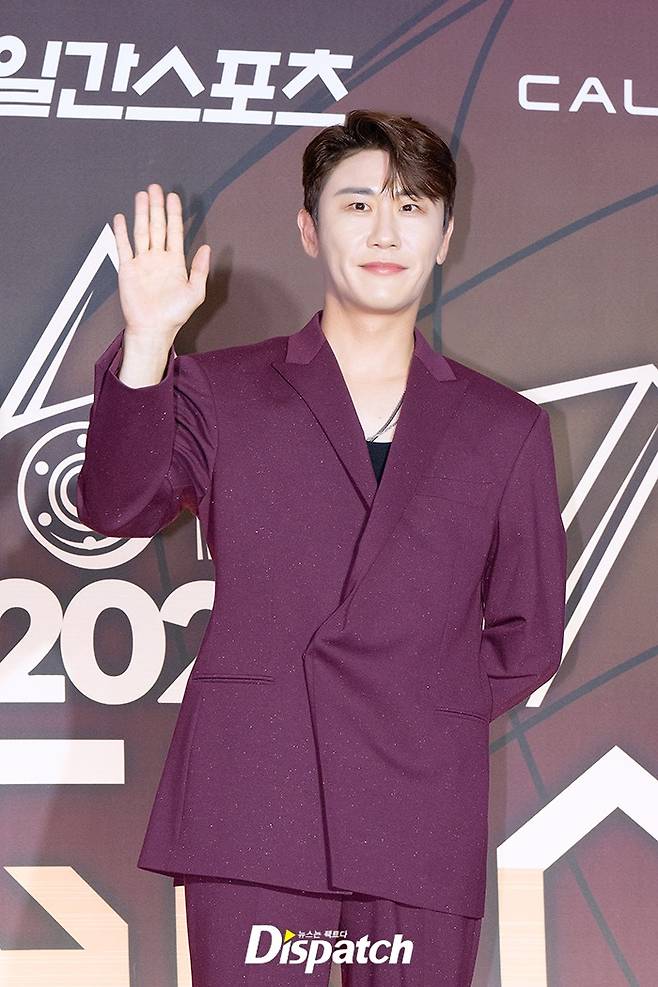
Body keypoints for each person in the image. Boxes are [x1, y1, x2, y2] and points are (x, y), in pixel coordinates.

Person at [77, 109, 567, 985]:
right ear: (308, 228)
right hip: (254, 803)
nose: (385, 232)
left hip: (419, 814)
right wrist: (148, 341)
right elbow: (116, 507)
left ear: (445, 235)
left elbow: (530, 637)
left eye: (411, 207)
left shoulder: (506, 428)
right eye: (357, 204)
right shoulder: (221, 389)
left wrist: (423, 705)